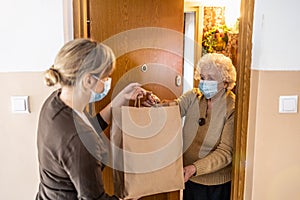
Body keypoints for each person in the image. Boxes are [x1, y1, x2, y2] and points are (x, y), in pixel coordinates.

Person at [36, 38, 151, 200]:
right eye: (105, 78)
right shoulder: (77, 140)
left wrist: (120, 99)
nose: (107, 83)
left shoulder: (56, 103)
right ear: (88, 80)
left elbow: (89, 127)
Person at [160, 53, 236, 200]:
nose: (204, 82)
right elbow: (173, 109)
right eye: (202, 77)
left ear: (225, 82)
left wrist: (194, 168)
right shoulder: (193, 96)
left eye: (211, 78)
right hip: (191, 179)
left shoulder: (232, 107)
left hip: (217, 185)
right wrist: (156, 105)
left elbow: (225, 152)